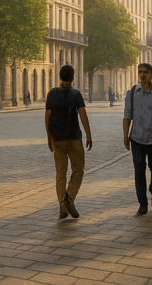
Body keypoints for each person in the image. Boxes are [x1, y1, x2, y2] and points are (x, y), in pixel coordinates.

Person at [45, 64, 93, 220]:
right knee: (78, 170)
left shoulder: (52, 94)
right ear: (72, 78)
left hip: (57, 139)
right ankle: (69, 196)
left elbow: (47, 116)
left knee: (60, 173)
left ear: (60, 77)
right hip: (74, 139)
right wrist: (88, 134)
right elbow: (83, 115)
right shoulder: (76, 94)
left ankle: (62, 205)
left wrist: (49, 136)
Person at [122, 63, 152, 215]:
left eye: (146, 72)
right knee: (139, 172)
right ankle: (142, 204)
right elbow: (127, 116)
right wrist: (125, 135)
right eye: (140, 72)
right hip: (136, 138)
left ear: (151, 74)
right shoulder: (131, 93)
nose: (142, 75)